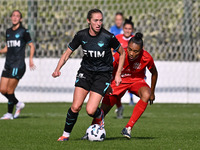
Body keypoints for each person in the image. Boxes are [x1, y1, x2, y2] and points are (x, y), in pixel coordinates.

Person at [52, 8, 125, 141]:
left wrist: (118, 74)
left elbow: (122, 52)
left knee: (91, 110)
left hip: (103, 74)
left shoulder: (108, 37)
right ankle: (65, 135)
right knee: (75, 106)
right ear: (88, 21)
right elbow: (67, 53)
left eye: (101, 20)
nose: (99, 23)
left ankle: (100, 115)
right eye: (95, 20)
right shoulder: (81, 35)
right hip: (85, 72)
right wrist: (57, 69)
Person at [84, 32, 158, 139]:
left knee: (146, 94)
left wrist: (152, 92)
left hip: (137, 81)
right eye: (130, 50)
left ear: (141, 50)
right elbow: (108, 70)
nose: (132, 53)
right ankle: (91, 131)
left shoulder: (147, 57)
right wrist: (107, 84)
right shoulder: (119, 55)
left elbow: (154, 73)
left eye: (136, 51)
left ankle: (128, 128)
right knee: (104, 109)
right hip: (119, 81)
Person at [0, 10, 36, 120]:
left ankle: (9, 113)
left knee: (10, 91)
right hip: (8, 64)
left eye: (17, 16)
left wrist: (30, 60)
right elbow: (8, 47)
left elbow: (31, 45)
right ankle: (18, 103)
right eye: (13, 16)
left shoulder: (24, 31)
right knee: (2, 90)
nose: (15, 18)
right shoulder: (8, 31)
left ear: (20, 19)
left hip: (18, 65)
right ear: (11, 18)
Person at [114, 16, 135, 119]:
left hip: (129, 71)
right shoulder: (117, 38)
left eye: (129, 29)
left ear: (132, 30)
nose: (127, 30)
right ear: (123, 28)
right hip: (118, 70)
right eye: (126, 28)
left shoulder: (135, 40)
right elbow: (111, 50)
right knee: (115, 92)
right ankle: (120, 106)